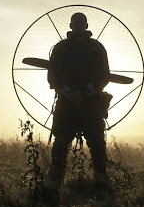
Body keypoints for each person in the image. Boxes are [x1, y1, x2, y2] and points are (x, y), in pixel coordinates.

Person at [47, 12, 111, 189]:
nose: (78, 26)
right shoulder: (60, 48)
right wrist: (68, 92)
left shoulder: (97, 48)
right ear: (71, 26)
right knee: (61, 141)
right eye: (75, 23)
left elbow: (105, 75)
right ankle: (55, 184)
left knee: (97, 142)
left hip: (91, 103)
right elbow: (52, 77)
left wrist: (86, 92)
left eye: (81, 23)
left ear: (86, 25)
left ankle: (101, 182)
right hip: (66, 104)